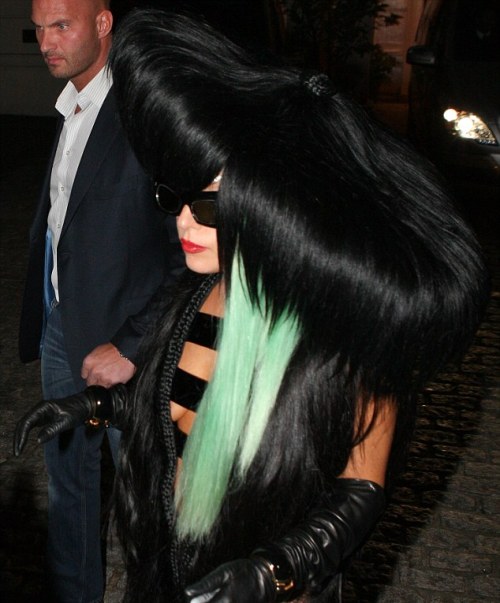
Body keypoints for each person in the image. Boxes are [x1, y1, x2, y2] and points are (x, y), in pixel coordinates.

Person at [15, 8, 490, 603]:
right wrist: (93, 407)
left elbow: (360, 491)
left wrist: (274, 570)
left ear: (269, 208)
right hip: (172, 572)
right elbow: (178, 407)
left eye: (208, 207)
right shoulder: (197, 301)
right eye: (173, 197)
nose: (182, 222)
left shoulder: (346, 334)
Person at [18, 1, 184, 601]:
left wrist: (133, 346)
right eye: (39, 28)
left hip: (125, 350)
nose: (46, 43)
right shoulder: (71, 106)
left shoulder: (147, 111)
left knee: (148, 506)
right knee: (68, 488)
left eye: (61, 26)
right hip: (61, 328)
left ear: (104, 23)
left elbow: (191, 257)